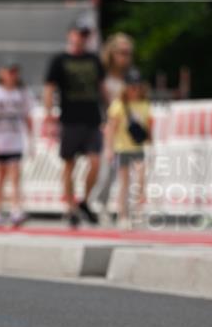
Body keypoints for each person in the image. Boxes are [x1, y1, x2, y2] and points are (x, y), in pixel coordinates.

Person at [43, 22, 106, 227]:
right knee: (69, 163)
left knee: (95, 162)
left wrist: (110, 109)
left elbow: (102, 87)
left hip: (92, 118)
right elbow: (49, 88)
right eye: (78, 34)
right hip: (70, 118)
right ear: (70, 35)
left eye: (84, 36)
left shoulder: (94, 60)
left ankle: (84, 201)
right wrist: (49, 114)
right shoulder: (59, 60)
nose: (81, 39)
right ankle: (70, 207)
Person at [0, 60, 35, 227]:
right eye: (9, 72)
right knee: (0, 175)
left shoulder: (22, 92)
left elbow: (27, 116)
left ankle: (16, 209)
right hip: (0, 137)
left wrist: (31, 140)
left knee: (16, 174)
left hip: (15, 137)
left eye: (14, 72)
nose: (12, 76)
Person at [94, 32, 135, 220]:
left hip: (125, 129)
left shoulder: (131, 76)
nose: (125, 57)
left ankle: (124, 211)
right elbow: (98, 102)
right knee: (107, 169)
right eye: (121, 52)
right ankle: (99, 202)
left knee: (127, 172)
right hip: (107, 127)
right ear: (112, 53)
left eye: (128, 53)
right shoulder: (101, 75)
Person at [104, 67, 151, 229]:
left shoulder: (144, 104)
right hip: (122, 148)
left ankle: (138, 212)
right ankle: (123, 215)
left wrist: (151, 143)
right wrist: (109, 149)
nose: (135, 89)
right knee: (124, 182)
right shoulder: (118, 105)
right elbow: (111, 128)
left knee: (140, 180)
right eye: (132, 86)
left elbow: (148, 127)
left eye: (137, 86)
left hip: (137, 147)